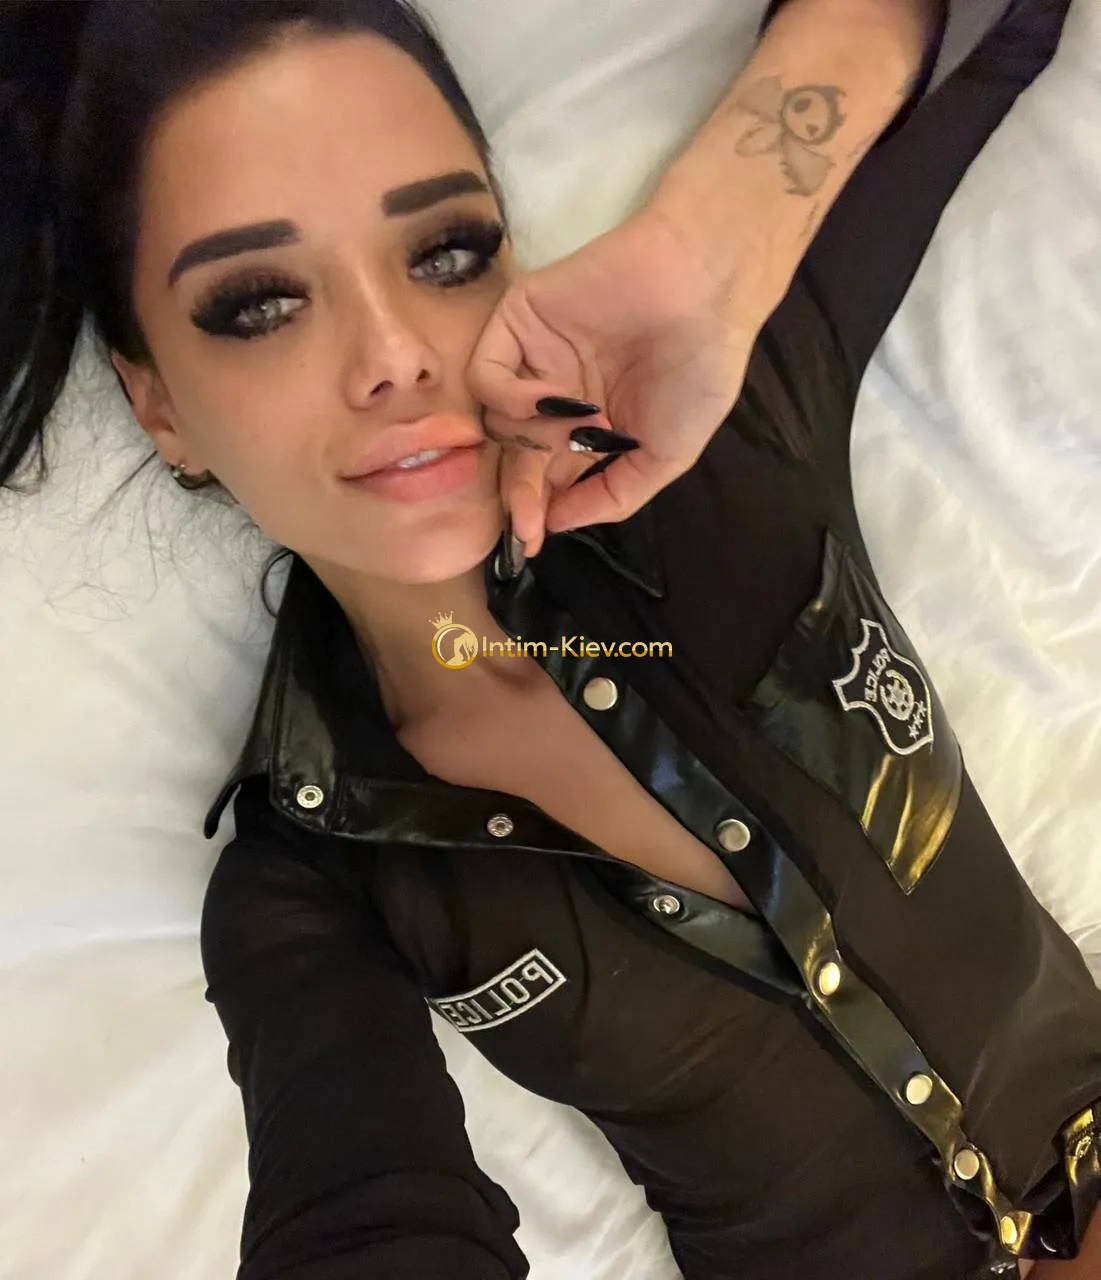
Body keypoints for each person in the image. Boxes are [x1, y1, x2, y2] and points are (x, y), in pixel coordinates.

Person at [0, 1, 1098, 1279]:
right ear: (157, 404)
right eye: (259, 304)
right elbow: (366, 1216)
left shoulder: (727, 433)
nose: (396, 354)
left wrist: (710, 243)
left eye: (448, 251)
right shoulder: (309, 879)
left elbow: (1002, 26)